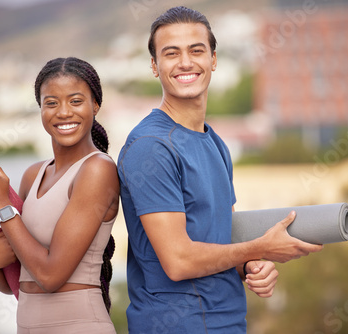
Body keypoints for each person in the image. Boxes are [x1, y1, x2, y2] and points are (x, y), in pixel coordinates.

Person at [117, 6, 323, 333]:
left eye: (196, 50)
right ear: (155, 67)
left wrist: (249, 266)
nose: (185, 62)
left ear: (213, 59)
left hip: (227, 323)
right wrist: (261, 247)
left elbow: (217, 240)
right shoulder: (150, 147)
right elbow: (179, 261)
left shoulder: (215, 144)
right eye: (171, 53)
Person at [0, 57, 119, 333]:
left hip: (79, 324)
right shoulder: (32, 175)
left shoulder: (97, 170)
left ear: (95, 105)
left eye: (76, 101)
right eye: (51, 103)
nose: (63, 112)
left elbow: (50, 276)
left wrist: (3, 206)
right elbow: (19, 280)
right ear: (40, 108)